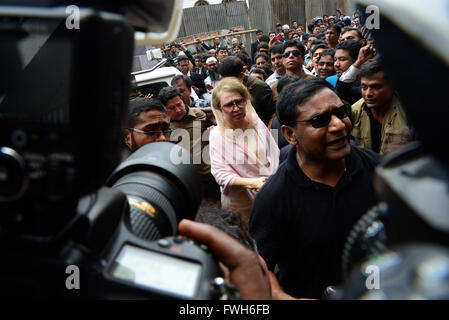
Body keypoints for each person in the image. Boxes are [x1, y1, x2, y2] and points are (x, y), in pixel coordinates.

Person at [249, 78, 382, 299]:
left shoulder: (377, 170)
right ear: (290, 134)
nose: (339, 125)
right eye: (320, 120)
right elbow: (260, 265)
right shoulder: (273, 198)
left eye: (341, 112)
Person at [209, 77, 279, 224]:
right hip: (243, 205)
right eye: (228, 105)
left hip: (273, 192)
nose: (236, 108)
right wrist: (253, 183)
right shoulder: (217, 135)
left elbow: (273, 152)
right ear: (219, 108)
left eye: (239, 101)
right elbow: (221, 175)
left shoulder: (256, 122)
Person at [158, 86, 220, 200]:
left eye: (179, 104)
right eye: (171, 108)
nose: (177, 110)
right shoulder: (164, 127)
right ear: (164, 109)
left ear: (183, 100)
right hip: (189, 181)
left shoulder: (200, 115)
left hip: (212, 176)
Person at [351, 59, 411, 155]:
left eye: (376, 87)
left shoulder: (407, 115)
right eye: (364, 87)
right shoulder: (354, 112)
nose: (368, 94)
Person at [218, 56, 276, 126]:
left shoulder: (260, 87)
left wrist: (271, 135)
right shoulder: (223, 87)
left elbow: (273, 115)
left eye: (229, 81)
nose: (226, 83)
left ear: (241, 76)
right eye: (224, 80)